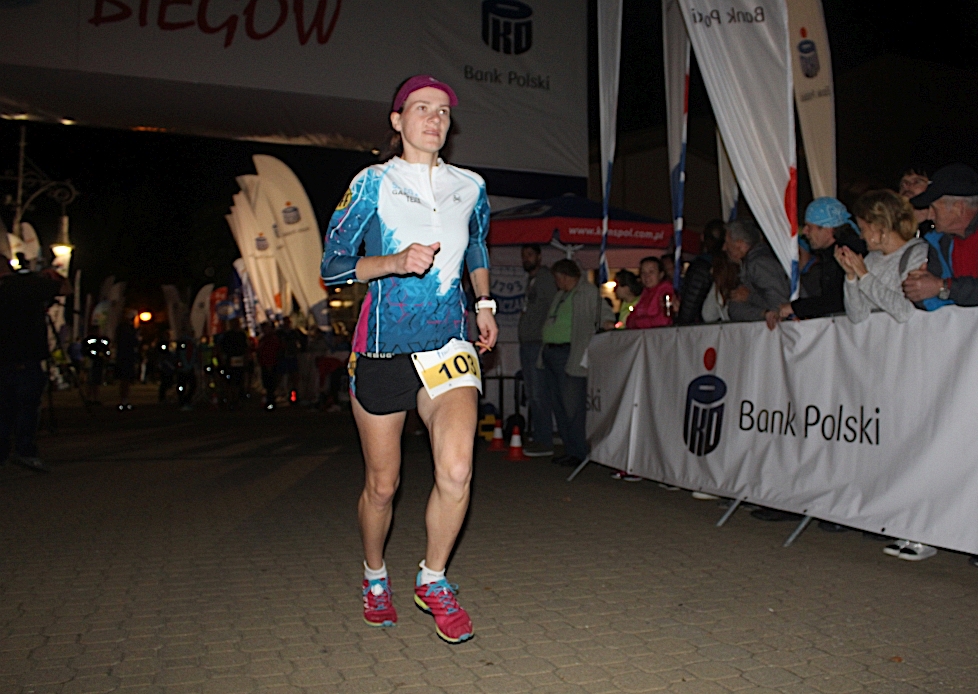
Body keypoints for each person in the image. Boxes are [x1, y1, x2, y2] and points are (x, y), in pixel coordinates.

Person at [320, 75, 497, 644]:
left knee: (457, 469)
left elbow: (477, 243)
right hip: (382, 348)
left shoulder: (470, 185)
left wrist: (484, 302)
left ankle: (433, 579)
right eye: (421, 108)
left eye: (443, 111)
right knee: (383, 484)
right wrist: (394, 262)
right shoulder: (373, 183)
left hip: (448, 344)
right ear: (397, 121)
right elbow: (332, 267)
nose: (434, 118)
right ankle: (375, 576)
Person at [539, 259, 614, 469]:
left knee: (572, 406)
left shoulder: (587, 293)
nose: (556, 282)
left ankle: (578, 452)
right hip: (552, 353)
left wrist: (607, 323)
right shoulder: (561, 295)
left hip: (570, 353)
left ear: (564, 276)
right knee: (559, 405)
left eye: (557, 278)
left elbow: (603, 313)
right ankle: (570, 449)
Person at [0, 255, 70, 473]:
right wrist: (52, 276)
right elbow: (66, 289)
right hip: (27, 356)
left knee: (5, 408)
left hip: (4, 358)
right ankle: (25, 450)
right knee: (27, 407)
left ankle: (3, 452)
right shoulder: (29, 284)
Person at [764, 197, 868, 330]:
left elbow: (837, 301)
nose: (805, 231)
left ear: (828, 229)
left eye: (809, 227)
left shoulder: (846, 254)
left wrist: (795, 308)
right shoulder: (833, 254)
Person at [837, 190, 928, 325]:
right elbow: (857, 316)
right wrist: (851, 277)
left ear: (879, 227)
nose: (861, 236)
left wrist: (865, 276)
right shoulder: (871, 259)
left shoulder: (917, 254)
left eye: (863, 229)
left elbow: (904, 311)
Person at [902, 163, 978, 307]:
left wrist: (943, 287)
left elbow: (944, 287)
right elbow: (935, 300)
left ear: (958, 208)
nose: (929, 215)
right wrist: (918, 289)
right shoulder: (940, 242)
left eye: (934, 208)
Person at [517, 243, 557, 457]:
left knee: (539, 392)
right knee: (533, 392)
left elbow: (552, 308)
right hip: (528, 341)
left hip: (537, 341)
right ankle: (541, 435)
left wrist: (545, 336)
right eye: (524, 255)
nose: (526, 259)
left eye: (530, 255)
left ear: (539, 257)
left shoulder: (545, 279)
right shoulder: (532, 280)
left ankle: (544, 439)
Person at [723, 220, 791, 322]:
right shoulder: (753, 263)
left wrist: (749, 297)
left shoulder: (759, 263)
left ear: (740, 244)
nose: (724, 248)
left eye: (727, 243)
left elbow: (780, 304)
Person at [676, 220, 725, 325]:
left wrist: (681, 325)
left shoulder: (701, 266)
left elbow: (690, 304)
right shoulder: (728, 265)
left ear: (702, 237)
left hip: (700, 326)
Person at [626, 256, 674, 329]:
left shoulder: (666, 291)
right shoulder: (645, 293)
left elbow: (664, 320)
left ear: (661, 274)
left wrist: (638, 322)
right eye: (643, 273)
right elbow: (629, 321)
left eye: (651, 272)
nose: (647, 276)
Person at [218, 318, 248, 409]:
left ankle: (236, 399)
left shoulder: (242, 335)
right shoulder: (227, 335)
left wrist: (246, 358)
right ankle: (231, 399)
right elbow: (222, 348)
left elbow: (245, 348)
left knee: (238, 380)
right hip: (230, 360)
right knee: (230, 381)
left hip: (239, 360)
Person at [115, 309, 139, 411]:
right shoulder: (127, 329)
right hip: (126, 357)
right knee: (125, 380)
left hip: (124, 356)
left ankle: (124, 400)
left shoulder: (122, 328)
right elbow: (133, 342)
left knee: (125, 380)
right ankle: (124, 400)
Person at [256, 322, 282, 410]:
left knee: (271, 383)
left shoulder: (273, 339)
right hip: (264, 363)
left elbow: (274, 351)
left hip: (271, 363)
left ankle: (271, 402)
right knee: (267, 383)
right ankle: (270, 401)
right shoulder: (263, 339)